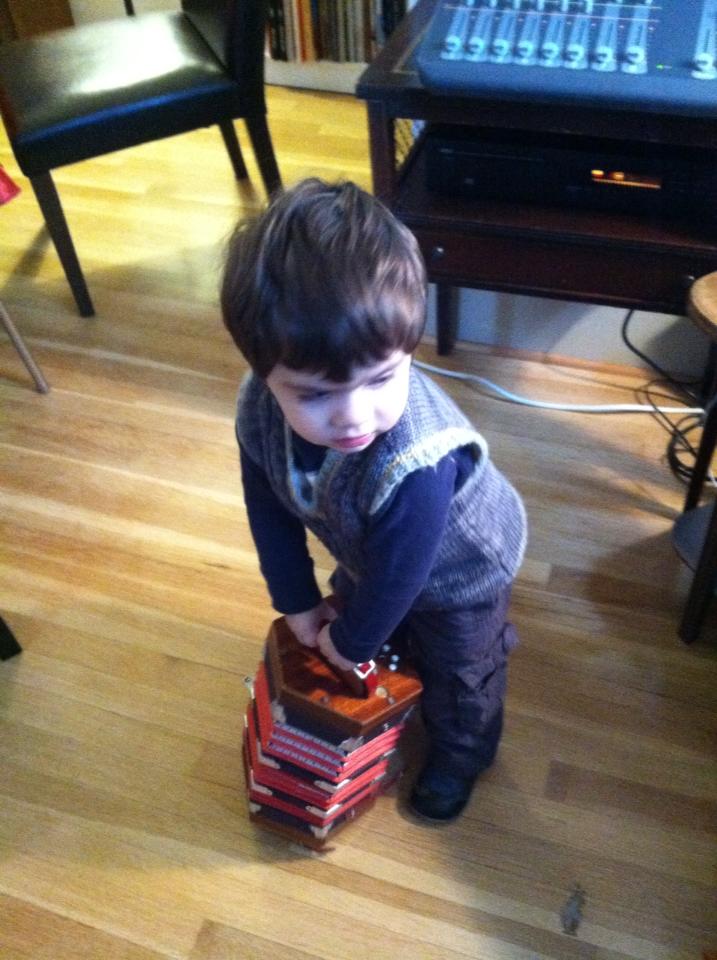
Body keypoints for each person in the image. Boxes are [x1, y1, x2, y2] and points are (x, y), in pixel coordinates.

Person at [221, 178, 527, 822]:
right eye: (315, 394)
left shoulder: (418, 460)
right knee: (379, 627)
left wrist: (355, 639)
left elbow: (404, 572)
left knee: (460, 670)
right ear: (265, 374)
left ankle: (461, 754)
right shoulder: (258, 408)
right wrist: (297, 600)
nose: (354, 415)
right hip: (368, 550)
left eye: (382, 378)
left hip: (461, 572)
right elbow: (267, 506)